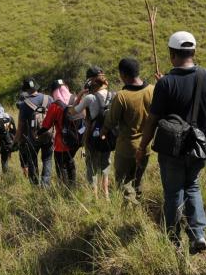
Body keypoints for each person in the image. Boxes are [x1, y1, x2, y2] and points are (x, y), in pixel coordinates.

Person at [135, 31, 206, 253]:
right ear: (193, 52)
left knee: (173, 192)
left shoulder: (165, 83)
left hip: (171, 148)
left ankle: (174, 240)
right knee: (192, 185)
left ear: (172, 54)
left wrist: (142, 146)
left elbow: (153, 120)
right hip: (198, 144)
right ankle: (198, 234)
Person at [105, 58, 153, 204]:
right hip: (145, 146)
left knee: (124, 184)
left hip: (126, 148)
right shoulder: (152, 90)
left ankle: (128, 212)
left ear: (123, 75)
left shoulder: (122, 96)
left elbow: (111, 121)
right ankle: (138, 207)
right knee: (138, 181)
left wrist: (102, 132)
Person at [74, 66, 113, 198]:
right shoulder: (113, 95)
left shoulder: (89, 98)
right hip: (108, 136)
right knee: (105, 165)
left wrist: (80, 94)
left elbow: (73, 111)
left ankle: (94, 196)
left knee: (91, 166)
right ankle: (106, 194)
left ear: (90, 81)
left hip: (92, 136)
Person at [39, 79, 79, 188]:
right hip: (76, 140)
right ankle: (73, 188)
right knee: (70, 163)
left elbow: (46, 125)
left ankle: (64, 189)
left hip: (61, 143)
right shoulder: (75, 99)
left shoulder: (55, 106)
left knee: (61, 167)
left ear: (54, 91)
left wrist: (38, 133)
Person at [14, 78, 54, 186]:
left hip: (33, 138)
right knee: (47, 160)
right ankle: (45, 185)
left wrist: (16, 141)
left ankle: (35, 185)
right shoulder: (49, 99)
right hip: (49, 135)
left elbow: (21, 126)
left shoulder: (24, 104)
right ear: (36, 87)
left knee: (32, 161)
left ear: (25, 89)